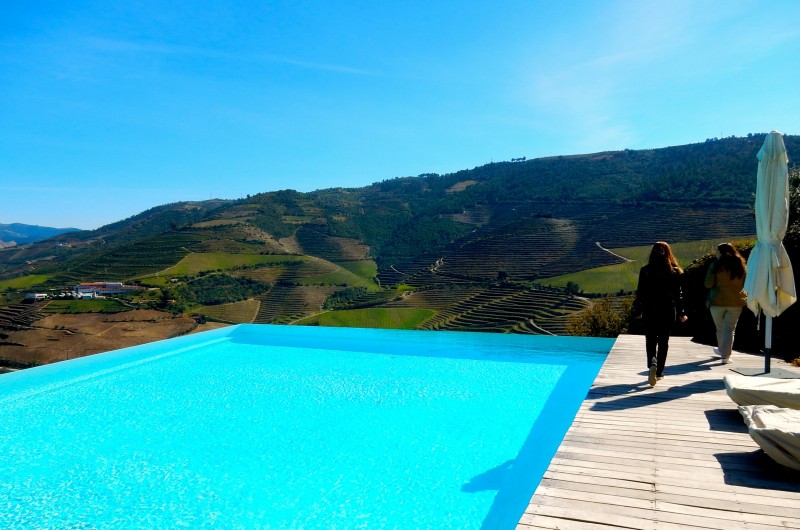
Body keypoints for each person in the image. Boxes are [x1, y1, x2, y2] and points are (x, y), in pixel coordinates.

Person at [634, 241, 688, 386]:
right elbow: (678, 295)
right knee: (664, 342)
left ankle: (652, 363)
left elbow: (641, 293)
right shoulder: (675, 271)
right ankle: (659, 372)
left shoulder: (645, 270)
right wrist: (682, 313)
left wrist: (638, 311)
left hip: (650, 309)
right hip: (668, 310)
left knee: (650, 340)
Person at [704, 243, 747, 364]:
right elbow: (746, 282)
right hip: (736, 301)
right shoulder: (741, 265)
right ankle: (725, 355)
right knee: (729, 329)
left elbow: (708, 284)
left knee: (720, 328)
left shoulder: (716, 265)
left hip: (717, 301)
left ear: (721, 252)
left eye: (717, 252)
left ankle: (723, 351)